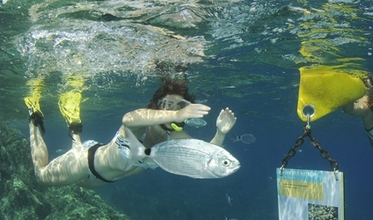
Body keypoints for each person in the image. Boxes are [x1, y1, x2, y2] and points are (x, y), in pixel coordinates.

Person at [24, 78, 237, 188]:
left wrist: (221, 132)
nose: (173, 110)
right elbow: (129, 118)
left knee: (79, 179)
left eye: (180, 105)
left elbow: (206, 158)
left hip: (100, 182)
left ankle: (74, 128)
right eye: (168, 105)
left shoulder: (173, 138)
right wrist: (176, 113)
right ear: (156, 105)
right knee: (40, 176)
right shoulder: (141, 125)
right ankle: (34, 117)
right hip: (84, 164)